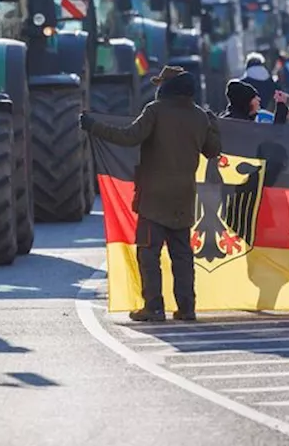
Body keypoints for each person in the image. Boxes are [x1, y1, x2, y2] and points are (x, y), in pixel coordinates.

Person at [81, 65, 221, 322]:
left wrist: (94, 126)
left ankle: (154, 307)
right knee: (182, 256)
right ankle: (187, 308)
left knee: (148, 253)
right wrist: (213, 125)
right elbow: (213, 150)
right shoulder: (199, 116)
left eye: (160, 84)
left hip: (153, 199)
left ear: (167, 87)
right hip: (184, 198)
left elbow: (129, 137)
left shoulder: (155, 111)